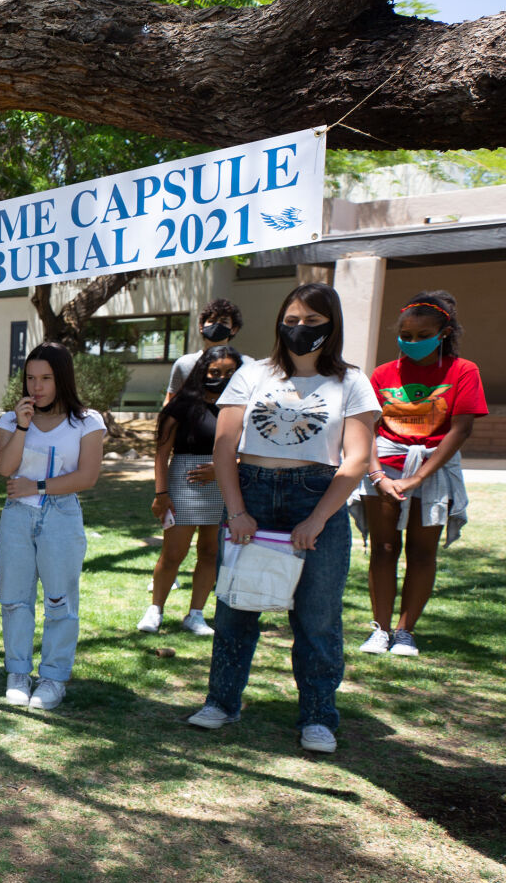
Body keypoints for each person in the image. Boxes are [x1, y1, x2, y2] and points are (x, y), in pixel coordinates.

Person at [187, 282, 380, 753]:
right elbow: (225, 445)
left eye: (311, 323)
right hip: (252, 492)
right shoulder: (252, 375)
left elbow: (356, 460)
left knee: (317, 617)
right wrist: (237, 511)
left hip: (317, 497)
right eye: (290, 321)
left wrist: (316, 520)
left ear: (331, 325)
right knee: (235, 608)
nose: (298, 330)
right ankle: (222, 701)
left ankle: (318, 716)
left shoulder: (351, 381)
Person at [359, 290, 487, 657]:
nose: (412, 342)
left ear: (443, 333)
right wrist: (378, 474)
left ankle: (404, 632)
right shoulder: (383, 373)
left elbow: (460, 429)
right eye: (406, 335)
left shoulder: (464, 371)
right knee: (383, 549)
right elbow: (367, 425)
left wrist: (417, 478)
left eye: (421, 335)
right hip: (384, 468)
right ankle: (380, 629)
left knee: (420, 552)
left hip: (432, 469)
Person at [0, 343, 107, 710]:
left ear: (63, 379)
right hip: (17, 516)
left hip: (61, 514)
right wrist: (22, 426)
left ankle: (54, 678)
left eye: (45, 378)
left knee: (60, 601)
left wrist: (37, 486)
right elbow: (5, 468)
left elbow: (87, 477)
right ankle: (18, 673)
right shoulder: (12, 420)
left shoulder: (87, 421)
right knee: (14, 599)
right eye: (30, 378)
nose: (36, 387)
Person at [138, 345, 242, 636]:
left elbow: (248, 452)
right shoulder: (181, 405)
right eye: (215, 372)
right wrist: (161, 494)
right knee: (173, 552)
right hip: (184, 485)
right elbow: (161, 453)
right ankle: (155, 609)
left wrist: (222, 468)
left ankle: (195, 615)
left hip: (224, 487)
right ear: (202, 372)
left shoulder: (240, 408)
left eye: (229, 373)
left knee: (210, 552)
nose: (221, 378)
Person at [166, 297, 249, 399]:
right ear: (201, 327)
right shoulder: (184, 364)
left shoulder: (246, 364)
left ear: (233, 329)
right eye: (212, 320)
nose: (217, 325)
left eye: (223, 322)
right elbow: (170, 402)